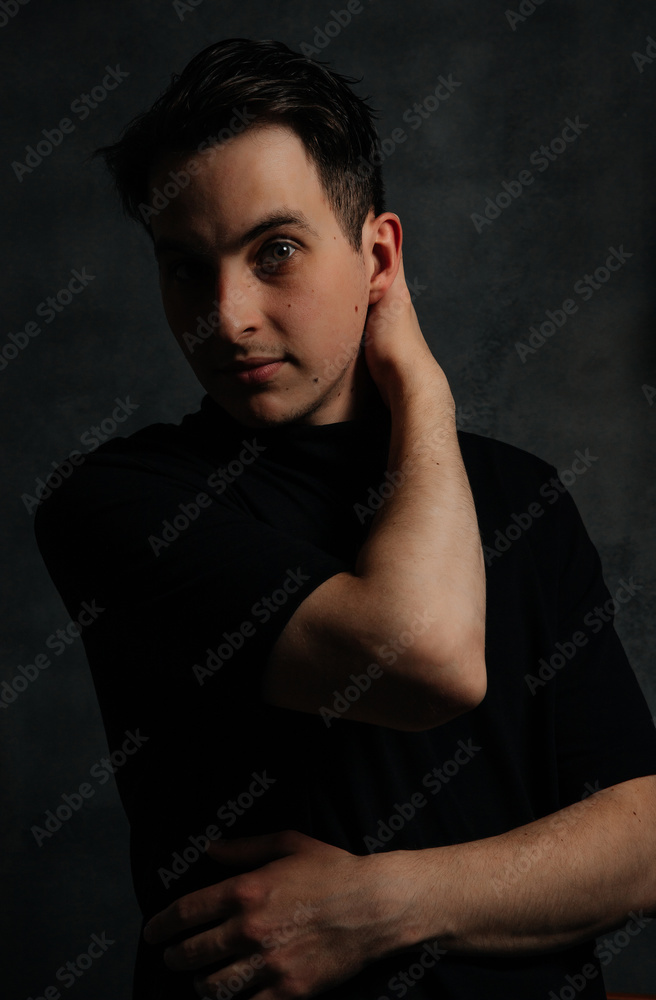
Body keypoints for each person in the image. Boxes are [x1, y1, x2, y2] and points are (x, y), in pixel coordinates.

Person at [34, 38, 656, 1000]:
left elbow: (645, 841)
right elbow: (424, 657)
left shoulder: (525, 494)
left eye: (274, 251)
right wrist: (425, 391)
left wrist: (385, 903)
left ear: (379, 257)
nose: (227, 315)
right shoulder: (120, 504)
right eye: (186, 268)